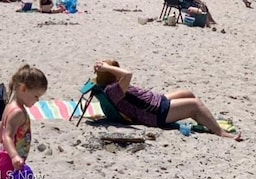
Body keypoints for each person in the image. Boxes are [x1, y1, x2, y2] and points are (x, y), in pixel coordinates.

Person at [93, 60, 241, 140]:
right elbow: (128, 74)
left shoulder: (112, 86)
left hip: (157, 101)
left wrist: (105, 68)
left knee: (188, 93)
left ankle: (204, 118)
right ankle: (221, 132)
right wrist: (107, 67)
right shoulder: (113, 90)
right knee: (195, 105)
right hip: (155, 113)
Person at [0, 65, 48, 179]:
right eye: (36, 96)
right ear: (23, 88)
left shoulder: (9, 106)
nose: (37, 100)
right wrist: (14, 156)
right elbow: (6, 136)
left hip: (5, 157)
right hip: (12, 162)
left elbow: (0, 133)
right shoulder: (18, 112)